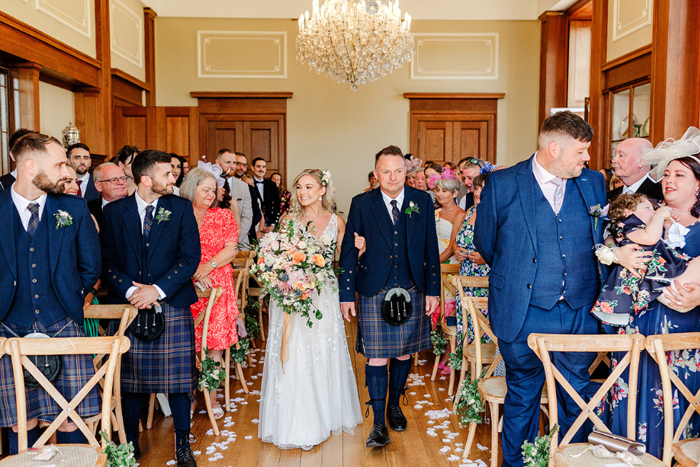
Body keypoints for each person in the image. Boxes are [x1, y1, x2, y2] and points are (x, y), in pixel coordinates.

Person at [474, 111, 606, 467]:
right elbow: (485, 243)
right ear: (553, 149)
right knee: (523, 393)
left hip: (579, 309)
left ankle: (570, 461)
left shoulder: (593, 182)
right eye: (580, 151)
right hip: (524, 309)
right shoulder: (502, 184)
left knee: (575, 393)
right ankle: (516, 464)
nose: (587, 158)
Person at [0, 132, 102, 453]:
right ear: (30, 166)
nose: (66, 171)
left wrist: (70, 297)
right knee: (21, 417)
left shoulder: (73, 208)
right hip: (7, 327)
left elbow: (91, 266)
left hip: (63, 322)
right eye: (59, 164)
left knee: (71, 415)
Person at [100, 149, 201, 467]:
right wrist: (132, 291)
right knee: (130, 381)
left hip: (170, 301)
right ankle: (129, 443)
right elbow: (108, 262)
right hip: (130, 305)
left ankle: (183, 445)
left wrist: (156, 291)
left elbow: (190, 258)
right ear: (146, 179)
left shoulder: (181, 208)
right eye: (167, 174)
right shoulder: (115, 212)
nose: (174, 178)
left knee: (180, 382)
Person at [606, 128, 700, 457]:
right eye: (667, 174)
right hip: (637, 326)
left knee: (678, 406)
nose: (669, 180)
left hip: (684, 333)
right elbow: (610, 241)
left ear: (698, 183)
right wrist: (615, 253)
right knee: (631, 397)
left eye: (680, 174)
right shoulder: (646, 214)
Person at [339, 145, 440, 448]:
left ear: (407, 172)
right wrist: (346, 294)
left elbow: (430, 249)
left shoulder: (421, 200)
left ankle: (394, 404)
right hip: (374, 288)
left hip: (412, 288)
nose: (393, 176)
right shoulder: (361, 203)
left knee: (404, 353)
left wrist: (433, 290)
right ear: (376, 173)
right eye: (386, 171)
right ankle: (379, 422)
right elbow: (348, 251)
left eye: (399, 170)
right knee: (377, 354)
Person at [259, 169, 362, 450]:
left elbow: (346, 259)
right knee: (295, 348)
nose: (302, 192)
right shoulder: (288, 220)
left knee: (321, 347)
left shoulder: (336, 222)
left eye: (309, 186)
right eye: (299, 187)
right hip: (292, 293)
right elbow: (276, 255)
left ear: (322, 190)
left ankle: (325, 414)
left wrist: (361, 248)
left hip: (324, 293)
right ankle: (295, 419)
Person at [181, 167, 239, 421]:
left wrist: (208, 266)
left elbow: (232, 249)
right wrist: (193, 271)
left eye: (214, 191)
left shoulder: (223, 215)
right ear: (190, 188)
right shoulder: (178, 214)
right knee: (187, 346)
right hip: (185, 284)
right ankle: (190, 399)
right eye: (205, 190)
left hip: (217, 286)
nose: (211, 195)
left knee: (213, 347)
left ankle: (212, 398)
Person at [592, 194, 693, 326]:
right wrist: (659, 216)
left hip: (657, 273)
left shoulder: (644, 228)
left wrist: (667, 228)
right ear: (627, 212)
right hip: (647, 275)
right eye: (647, 208)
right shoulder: (627, 224)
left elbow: (664, 245)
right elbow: (650, 238)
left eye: (654, 209)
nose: (653, 212)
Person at [452, 171, 491, 361]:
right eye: (476, 187)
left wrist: (486, 258)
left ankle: (485, 372)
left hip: (485, 278)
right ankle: (467, 368)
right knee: (465, 322)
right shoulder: (469, 212)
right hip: (466, 275)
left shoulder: (495, 215)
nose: (477, 192)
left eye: (482, 187)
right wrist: (457, 251)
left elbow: (506, 248)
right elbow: (457, 241)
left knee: (483, 325)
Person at [607, 138, 663, 203]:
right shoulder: (609, 196)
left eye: (621, 155)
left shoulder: (659, 194)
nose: (614, 160)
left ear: (641, 161)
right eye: (615, 155)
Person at [215, 149, 252, 246]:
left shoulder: (243, 186)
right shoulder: (210, 183)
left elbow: (247, 216)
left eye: (234, 162)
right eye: (228, 162)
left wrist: (234, 238)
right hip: (214, 242)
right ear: (217, 162)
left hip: (240, 242)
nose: (232, 166)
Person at [88, 162, 128, 229]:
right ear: (99, 186)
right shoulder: (88, 209)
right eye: (114, 180)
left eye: (123, 178)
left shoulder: (136, 206)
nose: (121, 183)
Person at [251, 157, 281, 232]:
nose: (261, 169)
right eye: (258, 166)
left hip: (271, 223)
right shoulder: (248, 183)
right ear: (252, 167)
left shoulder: (272, 184)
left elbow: (277, 205)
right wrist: (260, 225)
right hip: (254, 223)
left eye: (264, 167)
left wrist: (273, 224)